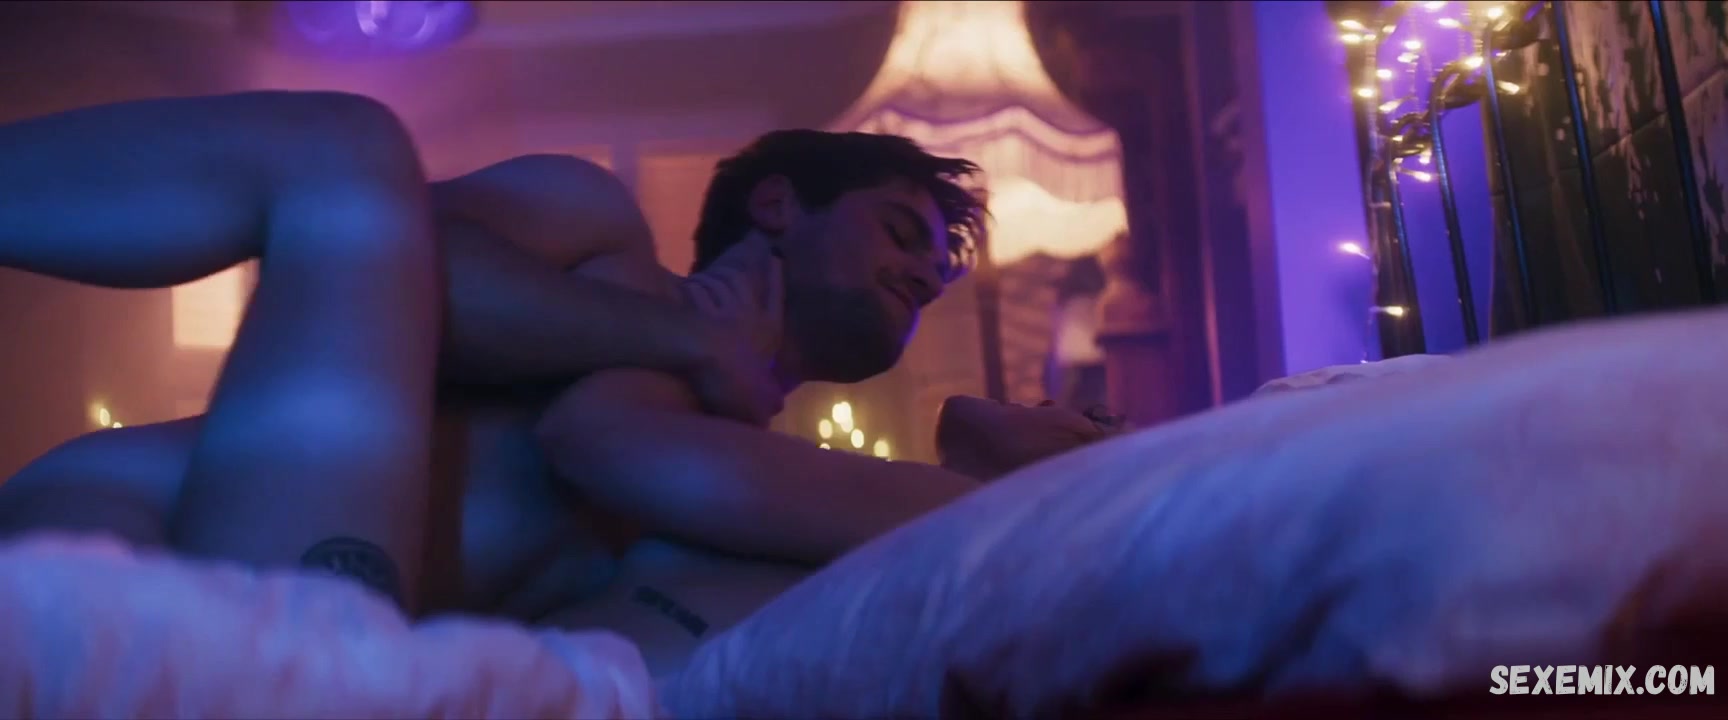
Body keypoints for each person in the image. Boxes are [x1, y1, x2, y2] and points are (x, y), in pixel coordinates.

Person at [0, 91, 1007, 620]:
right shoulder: (600, 233)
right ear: (780, 206)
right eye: (901, 232)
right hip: (129, 519)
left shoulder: (748, 471)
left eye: (938, 272)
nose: (926, 273)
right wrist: (688, 337)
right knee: (348, 150)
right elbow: (380, 261)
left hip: (299, 607)